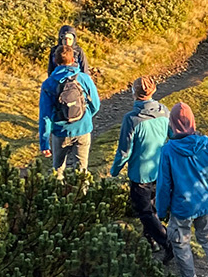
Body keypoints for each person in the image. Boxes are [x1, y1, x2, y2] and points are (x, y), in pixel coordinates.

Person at [156, 103, 208, 277]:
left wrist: (161, 210)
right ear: (192, 121)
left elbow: (163, 185)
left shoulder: (168, 151)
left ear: (173, 124)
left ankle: (189, 275)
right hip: (205, 203)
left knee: (181, 243)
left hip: (181, 207)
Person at [111, 77, 172, 260]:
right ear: (153, 91)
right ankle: (150, 240)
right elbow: (172, 137)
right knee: (152, 207)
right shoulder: (164, 112)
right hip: (160, 170)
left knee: (145, 212)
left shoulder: (131, 119)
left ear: (134, 93)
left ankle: (167, 242)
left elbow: (124, 151)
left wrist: (115, 170)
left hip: (140, 174)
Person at [39, 45, 99, 177]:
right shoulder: (83, 78)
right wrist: (86, 116)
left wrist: (44, 143)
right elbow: (96, 104)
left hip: (60, 132)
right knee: (82, 170)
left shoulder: (48, 84)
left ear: (55, 60)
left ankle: (57, 195)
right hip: (83, 128)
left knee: (58, 169)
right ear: (73, 59)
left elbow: (45, 116)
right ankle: (82, 196)